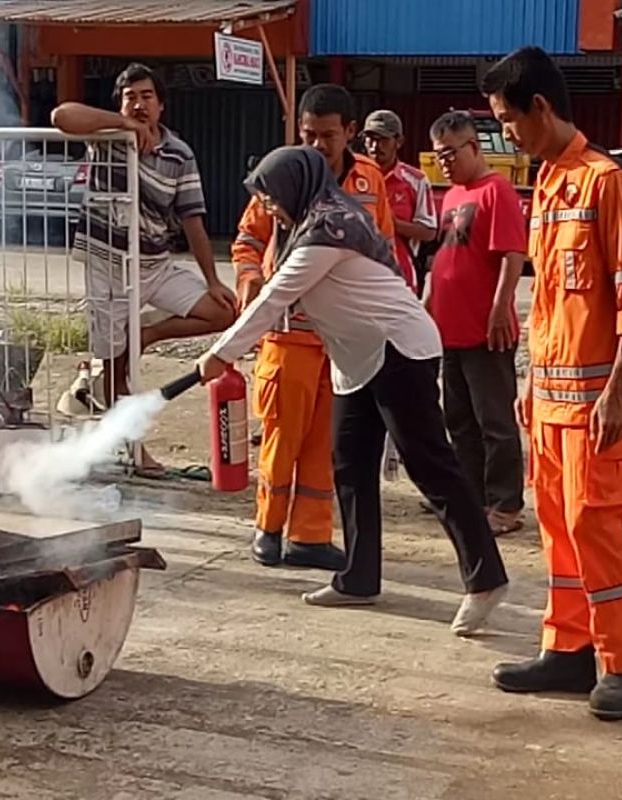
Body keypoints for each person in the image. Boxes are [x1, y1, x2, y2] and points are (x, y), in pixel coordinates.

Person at [200, 146, 509, 634]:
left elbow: (274, 297)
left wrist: (220, 353)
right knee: (349, 464)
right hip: (357, 358)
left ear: (293, 188)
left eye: (272, 198)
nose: (270, 209)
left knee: (431, 466)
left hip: (399, 350)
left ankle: (485, 578)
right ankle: (359, 578)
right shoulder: (309, 222)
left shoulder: (328, 229)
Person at [481, 46, 622, 721]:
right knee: (559, 531)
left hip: (596, 408)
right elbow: (554, 303)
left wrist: (619, 391)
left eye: (507, 120)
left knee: (597, 529)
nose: (506, 133)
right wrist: (530, 384)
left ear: (542, 108)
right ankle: (568, 650)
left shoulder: (605, 183)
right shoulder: (552, 184)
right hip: (553, 403)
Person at [231, 85, 395, 571]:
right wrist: (250, 279)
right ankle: (269, 528)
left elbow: (381, 246)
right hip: (288, 334)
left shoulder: (370, 181)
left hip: (343, 337)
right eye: (309, 134)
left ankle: (310, 536)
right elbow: (246, 238)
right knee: (283, 435)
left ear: (350, 132)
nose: (319, 145)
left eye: (328, 135)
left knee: (328, 440)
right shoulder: (283, 174)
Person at [51, 63, 236, 476]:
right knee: (117, 370)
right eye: (130, 96)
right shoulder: (108, 138)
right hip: (107, 266)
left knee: (224, 311)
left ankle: (144, 333)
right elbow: (61, 116)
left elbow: (193, 221)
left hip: (155, 264)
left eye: (146, 96)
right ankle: (133, 449)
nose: (138, 104)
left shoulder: (179, 153)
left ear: (161, 104)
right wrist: (119, 123)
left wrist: (212, 280)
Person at [426, 110, 527, 536]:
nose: (446, 162)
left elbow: (512, 254)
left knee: (495, 422)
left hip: (485, 330)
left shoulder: (496, 191)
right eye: (439, 155)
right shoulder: (451, 197)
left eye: (451, 152)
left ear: (474, 146)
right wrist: (425, 306)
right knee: (459, 420)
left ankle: (505, 503)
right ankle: (472, 494)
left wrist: (501, 307)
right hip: (449, 329)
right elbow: (442, 259)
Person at [362, 109, 438, 291]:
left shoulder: (416, 180)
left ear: (399, 142)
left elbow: (429, 231)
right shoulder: (353, 176)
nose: (375, 146)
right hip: (360, 278)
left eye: (383, 140)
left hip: (400, 279)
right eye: (370, 139)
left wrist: (390, 223)